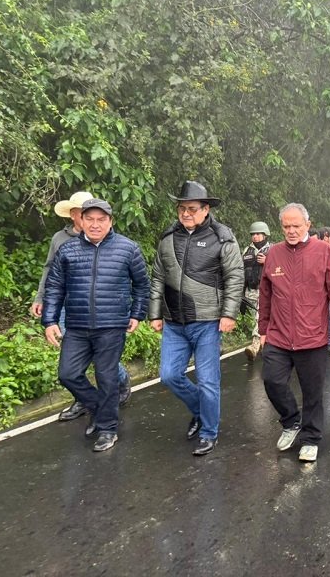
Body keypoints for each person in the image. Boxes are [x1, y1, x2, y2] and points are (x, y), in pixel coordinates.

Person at [42, 198, 150, 452]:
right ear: (80, 220)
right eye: (89, 219)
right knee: (67, 374)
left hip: (112, 325)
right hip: (77, 326)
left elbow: (142, 285)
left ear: (110, 222)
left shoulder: (128, 248)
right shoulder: (67, 251)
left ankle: (107, 429)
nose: (95, 224)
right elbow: (54, 287)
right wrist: (49, 320)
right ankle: (100, 410)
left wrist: (137, 313)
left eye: (101, 219)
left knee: (107, 377)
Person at [149, 181, 244, 456]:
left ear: (205, 210)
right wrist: (155, 313)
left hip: (207, 322)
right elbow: (158, 276)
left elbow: (235, 276)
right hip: (174, 323)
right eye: (182, 208)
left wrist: (229, 313)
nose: (186, 213)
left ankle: (208, 432)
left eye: (192, 208)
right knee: (168, 375)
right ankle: (200, 411)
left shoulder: (222, 237)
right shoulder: (168, 237)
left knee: (207, 381)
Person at [259, 203, 330, 463]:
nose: (291, 230)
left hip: (312, 335)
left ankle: (310, 438)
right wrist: (263, 329)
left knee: (312, 391)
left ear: (308, 225)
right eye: (286, 226)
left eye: (296, 226)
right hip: (278, 335)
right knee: (272, 380)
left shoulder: (323, 251)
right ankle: (291, 421)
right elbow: (265, 295)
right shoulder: (274, 254)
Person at [32, 191, 133, 419]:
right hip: (70, 306)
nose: (79, 217)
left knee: (101, 359)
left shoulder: (109, 239)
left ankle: (121, 381)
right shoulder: (60, 239)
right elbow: (50, 271)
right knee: (72, 364)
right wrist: (41, 299)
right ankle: (87, 402)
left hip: (102, 311)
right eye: (77, 213)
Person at [242, 221, 272, 360]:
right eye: (253, 234)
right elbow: (240, 272)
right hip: (250, 291)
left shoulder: (273, 250)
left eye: (259, 234)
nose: (255, 236)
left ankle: (255, 345)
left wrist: (267, 262)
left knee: (260, 317)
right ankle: (265, 344)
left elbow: (281, 270)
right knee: (259, 319)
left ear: (265, 235)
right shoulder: (247, 251)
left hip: (266, 291)